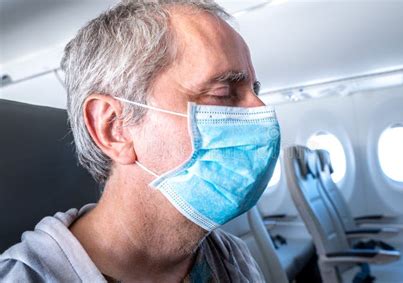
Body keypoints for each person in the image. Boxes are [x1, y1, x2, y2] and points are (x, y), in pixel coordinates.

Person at [0, 0, 281, 282]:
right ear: (114, 128)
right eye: (223, 92)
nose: (262, 111)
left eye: (254, 91)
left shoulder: (231, 255)